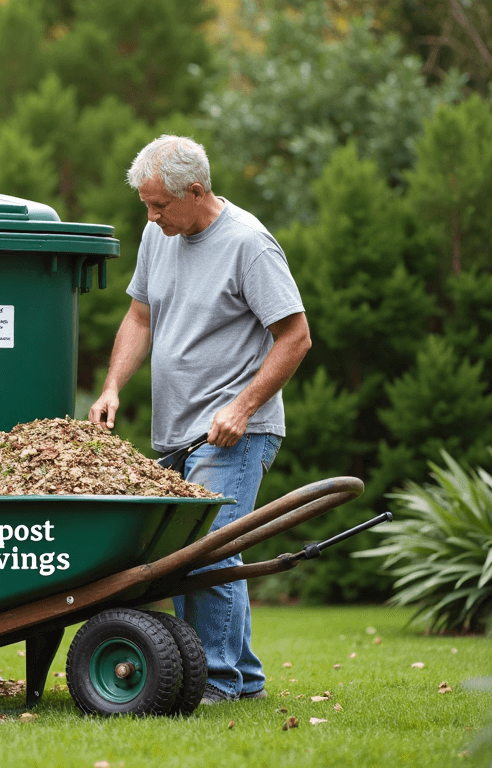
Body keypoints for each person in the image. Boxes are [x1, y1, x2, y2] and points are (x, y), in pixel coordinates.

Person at [88, 135, 310, 703]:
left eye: (160, 205)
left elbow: (295, 337)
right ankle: (243, 678)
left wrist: (242, 407)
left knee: (209, 551)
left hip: (235, 433)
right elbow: (139, 318)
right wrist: (113, 386)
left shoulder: (248, 245)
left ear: (195, 190)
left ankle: (215, 680)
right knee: (189, 556)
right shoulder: (157, 236)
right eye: (146, 204)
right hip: (176, 434)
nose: (151, 215)